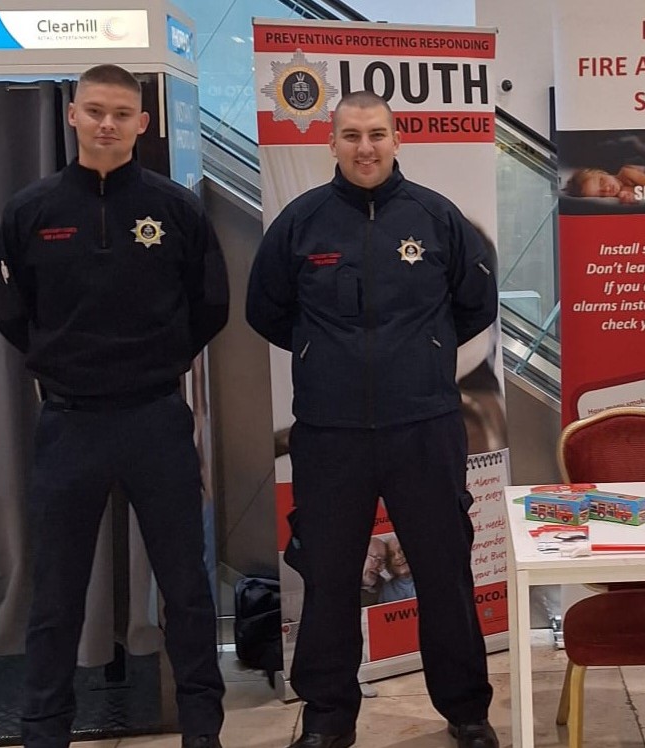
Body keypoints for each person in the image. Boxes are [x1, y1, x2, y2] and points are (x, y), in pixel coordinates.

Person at [245, 90, 498, 748]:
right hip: (330, 434)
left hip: (424, 426)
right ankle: (327, 722)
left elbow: (476, 304)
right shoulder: (300, 222)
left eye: (377, 134)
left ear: (396, 139)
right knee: (330, 581)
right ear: (331, 143)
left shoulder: (437, 218)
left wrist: (422, 354)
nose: (365, 147)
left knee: (444, 573)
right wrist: (324, 354)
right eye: (352, 135)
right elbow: (265, 310)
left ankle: (467, 713)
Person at [0, 64, 228, 748]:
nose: (106, 124)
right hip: (70, 422)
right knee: (56, 592)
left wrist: (154, 361)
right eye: (94, 110)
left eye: (122, 114)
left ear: (142, 123)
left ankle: (203, 731)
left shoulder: (176, 209)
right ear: (72, 113)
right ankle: (44, 731)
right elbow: (12, 312)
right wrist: (67, 362)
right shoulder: (31, 211)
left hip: (155, 417)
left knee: (185, 586)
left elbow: (210, 304)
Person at [564, 165, 645, 203]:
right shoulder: (619, 195)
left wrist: (630, 191)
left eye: (601, 181)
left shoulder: (626, 173)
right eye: (600, 194)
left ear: (602, 173)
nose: (606, 189)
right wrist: (630, 198)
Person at [379, 536, 416, 604]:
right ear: (388, 563)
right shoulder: (384, 589)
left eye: (401, 550)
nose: (398, 557)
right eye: (391, 555)